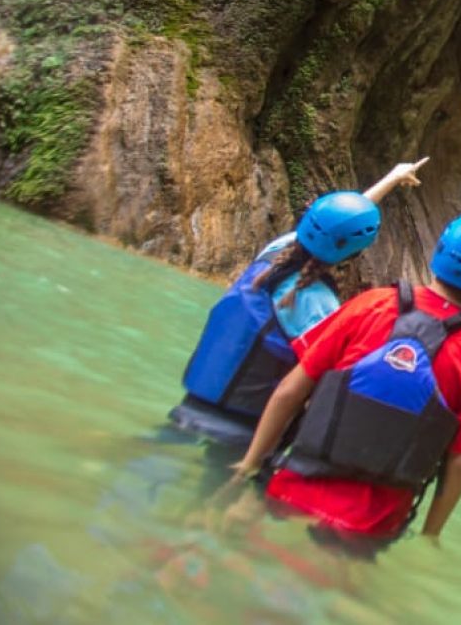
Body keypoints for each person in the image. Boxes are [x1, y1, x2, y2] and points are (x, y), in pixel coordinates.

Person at [230, 211, 461, 548]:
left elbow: (291, 390)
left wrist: (249, 464)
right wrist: (431, 535)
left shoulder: (372, 304)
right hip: (371, 523)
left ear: (440, 249)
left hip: (294, 490)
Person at [168, 159, 430, 448]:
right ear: (354, 253)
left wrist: (391, 178)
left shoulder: (275, 252)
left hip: (193, 402)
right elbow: (323, 380)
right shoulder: (319, 305)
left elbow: (338, 222)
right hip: (245, 430)